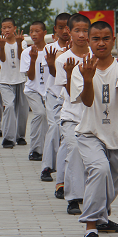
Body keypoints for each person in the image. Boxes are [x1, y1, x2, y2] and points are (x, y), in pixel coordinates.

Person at [70, 20, 118, 237]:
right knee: (99, 170)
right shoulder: (82, 68)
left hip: (116, 135)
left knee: (111, 184)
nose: (101, 43)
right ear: (88, 41)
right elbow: (87, 101)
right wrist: (88, 79)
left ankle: (102, 218)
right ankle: (90, 229)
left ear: (113, 40)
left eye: (106, 38)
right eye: (96, 38)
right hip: (90, 133)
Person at [52, 14, 90, 215]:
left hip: (92, 117)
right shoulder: (63, 60)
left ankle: (94, 196)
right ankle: (73, 198)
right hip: (71, 116)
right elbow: (70, 95)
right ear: (69, 32)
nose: (82, 35)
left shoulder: (96, 56)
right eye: (77, 30)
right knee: (74, 151)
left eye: (85, 31)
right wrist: (69, 75)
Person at [40, 13, 71, 181]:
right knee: (54, 127)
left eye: (68, 27)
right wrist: (52, 63)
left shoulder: (81, 48)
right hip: (54, 94)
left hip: (72, 97)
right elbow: (54, 74)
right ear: (55, 29)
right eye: (61, 27)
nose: (65, 31)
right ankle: (47, 166)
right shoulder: (49, 48)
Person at [0, 18, 28, 148]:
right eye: (3, 27)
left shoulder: (23, 42)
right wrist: (2, 46)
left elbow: (22, 58)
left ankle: (20, 136)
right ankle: (9, 138)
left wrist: (20, 44)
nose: (6, 30)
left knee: (22, 110)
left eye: (9, 27)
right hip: (5, 81)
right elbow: (2, 60)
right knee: (9, 107)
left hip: (20, 80)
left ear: (15, 28)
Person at [20, 21, 48, 161]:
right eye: (31, 31)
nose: (34, 34)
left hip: (48, 92)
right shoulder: (26, 53)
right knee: (40, 114)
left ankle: (48, 150)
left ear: (45, 32)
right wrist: (33, 60)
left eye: (37, 31)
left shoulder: (51, 50)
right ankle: (35, 150)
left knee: (51, 120)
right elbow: (30, 77)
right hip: (32, 90)